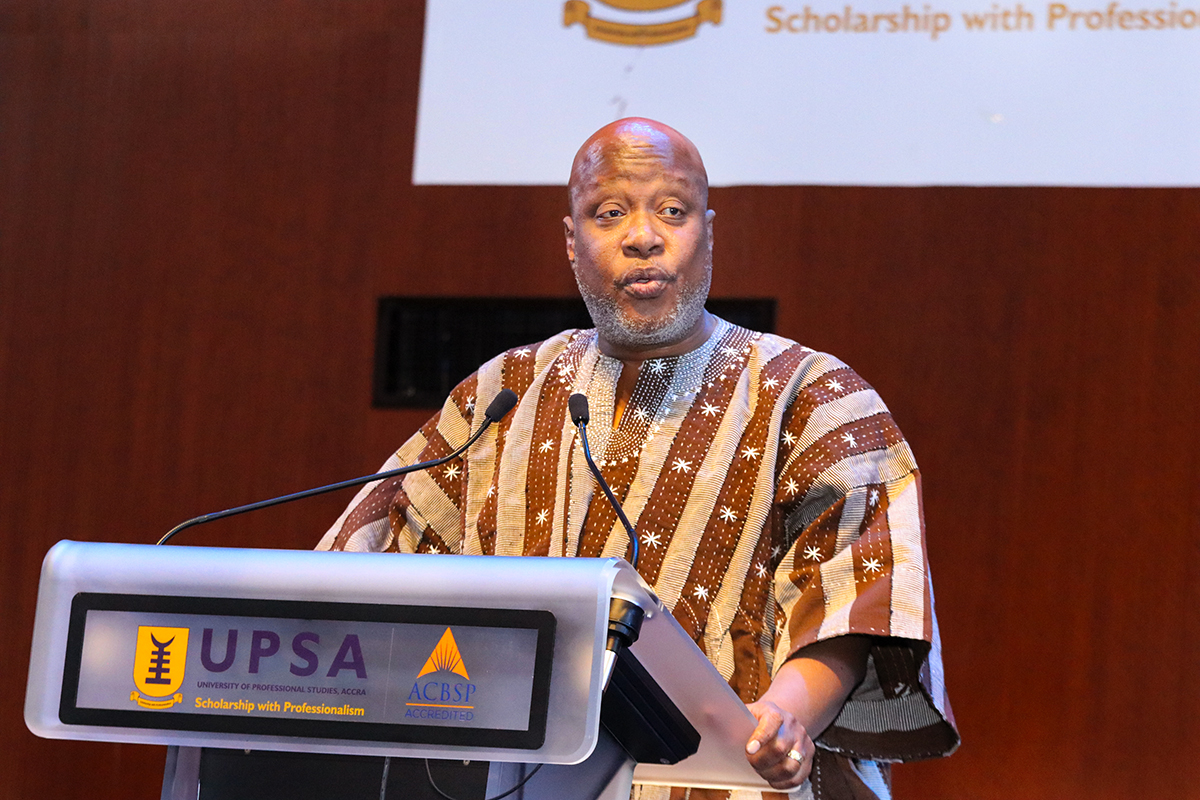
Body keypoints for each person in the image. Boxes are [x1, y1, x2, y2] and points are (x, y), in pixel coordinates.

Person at [319, 118, 958, 799]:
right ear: (572, 241)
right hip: (514, 781)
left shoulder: (813, 396)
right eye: (610, 213)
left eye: (673, 211)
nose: (643, 237)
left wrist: (783, 717)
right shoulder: (501, 394)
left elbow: (860, 604)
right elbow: (369, 574)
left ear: (708, 232)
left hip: (738, 782)